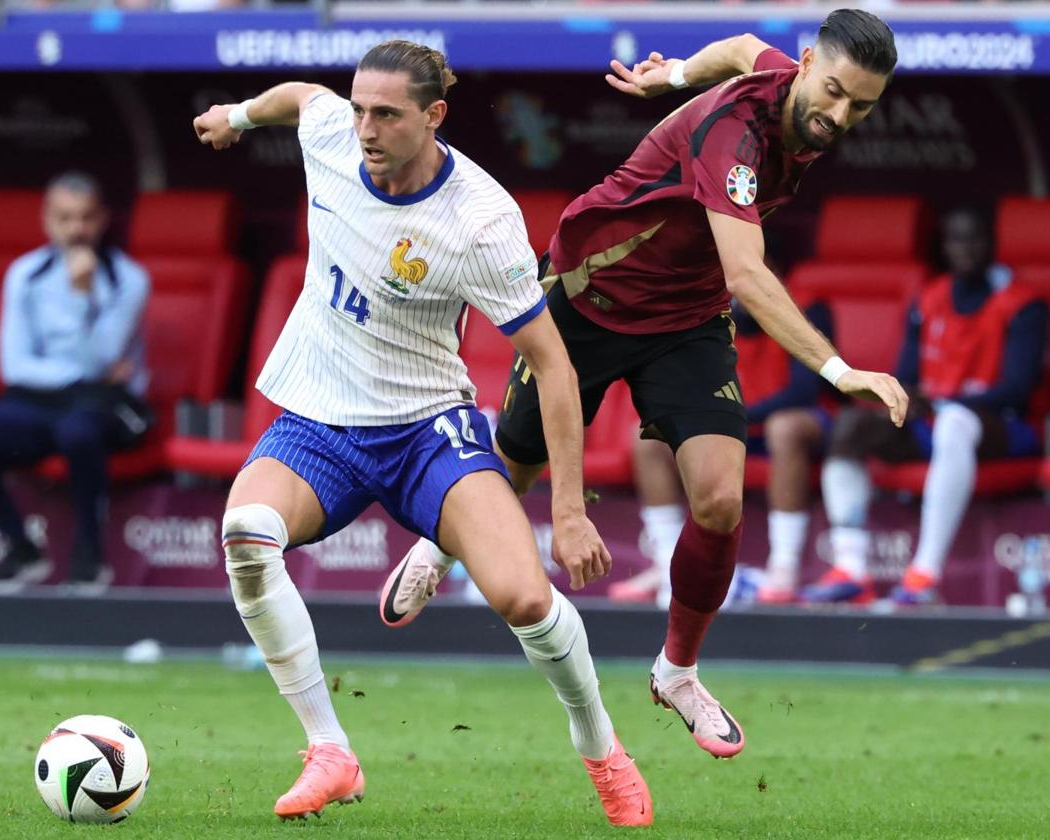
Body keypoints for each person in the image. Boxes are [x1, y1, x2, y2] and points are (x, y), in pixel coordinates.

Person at [378, 9, 908, 761]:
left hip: (685, 319)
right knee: (516, 465)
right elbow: (748, 276)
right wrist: (839, 368)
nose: (840, 114)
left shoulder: (779, 78)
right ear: (805, 61)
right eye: (833, 92)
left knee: (721, 499)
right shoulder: (737, 135)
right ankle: (440, 546)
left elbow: (733, 48)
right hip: (590, 293)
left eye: (861, 105)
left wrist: (675, 75)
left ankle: (678, 673)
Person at [191, 41, 652, 826]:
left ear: (433, 116)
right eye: (360, 107)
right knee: (245, 532)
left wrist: (569, 509)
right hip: (320, 422)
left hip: (426, 431)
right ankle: (330, 751)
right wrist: (236, 116)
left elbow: (554, 366)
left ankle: (602, 746)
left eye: (386, 115)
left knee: (524, 598)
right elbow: (302, 96)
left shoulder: (479, 219)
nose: (364, 128)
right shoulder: (333, 133)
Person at [803, 206, 1047, 606]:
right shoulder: (930, 298)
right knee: (850, 426)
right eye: (955, 239)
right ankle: (851, 568)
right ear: (943, 247)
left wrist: (942, 403)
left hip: (1004, 427)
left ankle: (923, 573)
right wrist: (908, 398)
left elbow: (1017, 390)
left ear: (992, 245)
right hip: (934, 422)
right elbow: (906, 374)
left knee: (955, 421)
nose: (964, 248)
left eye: (974, 239)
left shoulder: (1022, 303)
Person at [0, 172, 151, 590]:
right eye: (65, 217)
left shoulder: (129, 279)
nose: (76, 229)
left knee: (78, 431)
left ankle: (90, 558)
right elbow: (15, 366)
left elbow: (100, 361)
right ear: (47, 220)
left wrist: (81, 295)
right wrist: (76, 373)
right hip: (36, 402)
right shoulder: (25, 273)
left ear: (103, 219)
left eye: (86, 218)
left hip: (102, 405)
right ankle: (20, 549)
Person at [612, 297, 837, 607]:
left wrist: (731, 413)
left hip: (790, 422)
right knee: (647, 436)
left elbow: (804, 389)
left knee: (783, 429)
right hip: (729, 423)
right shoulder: (704, 305)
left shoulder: (808, 307)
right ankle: (669, 565)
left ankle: (784, 566)